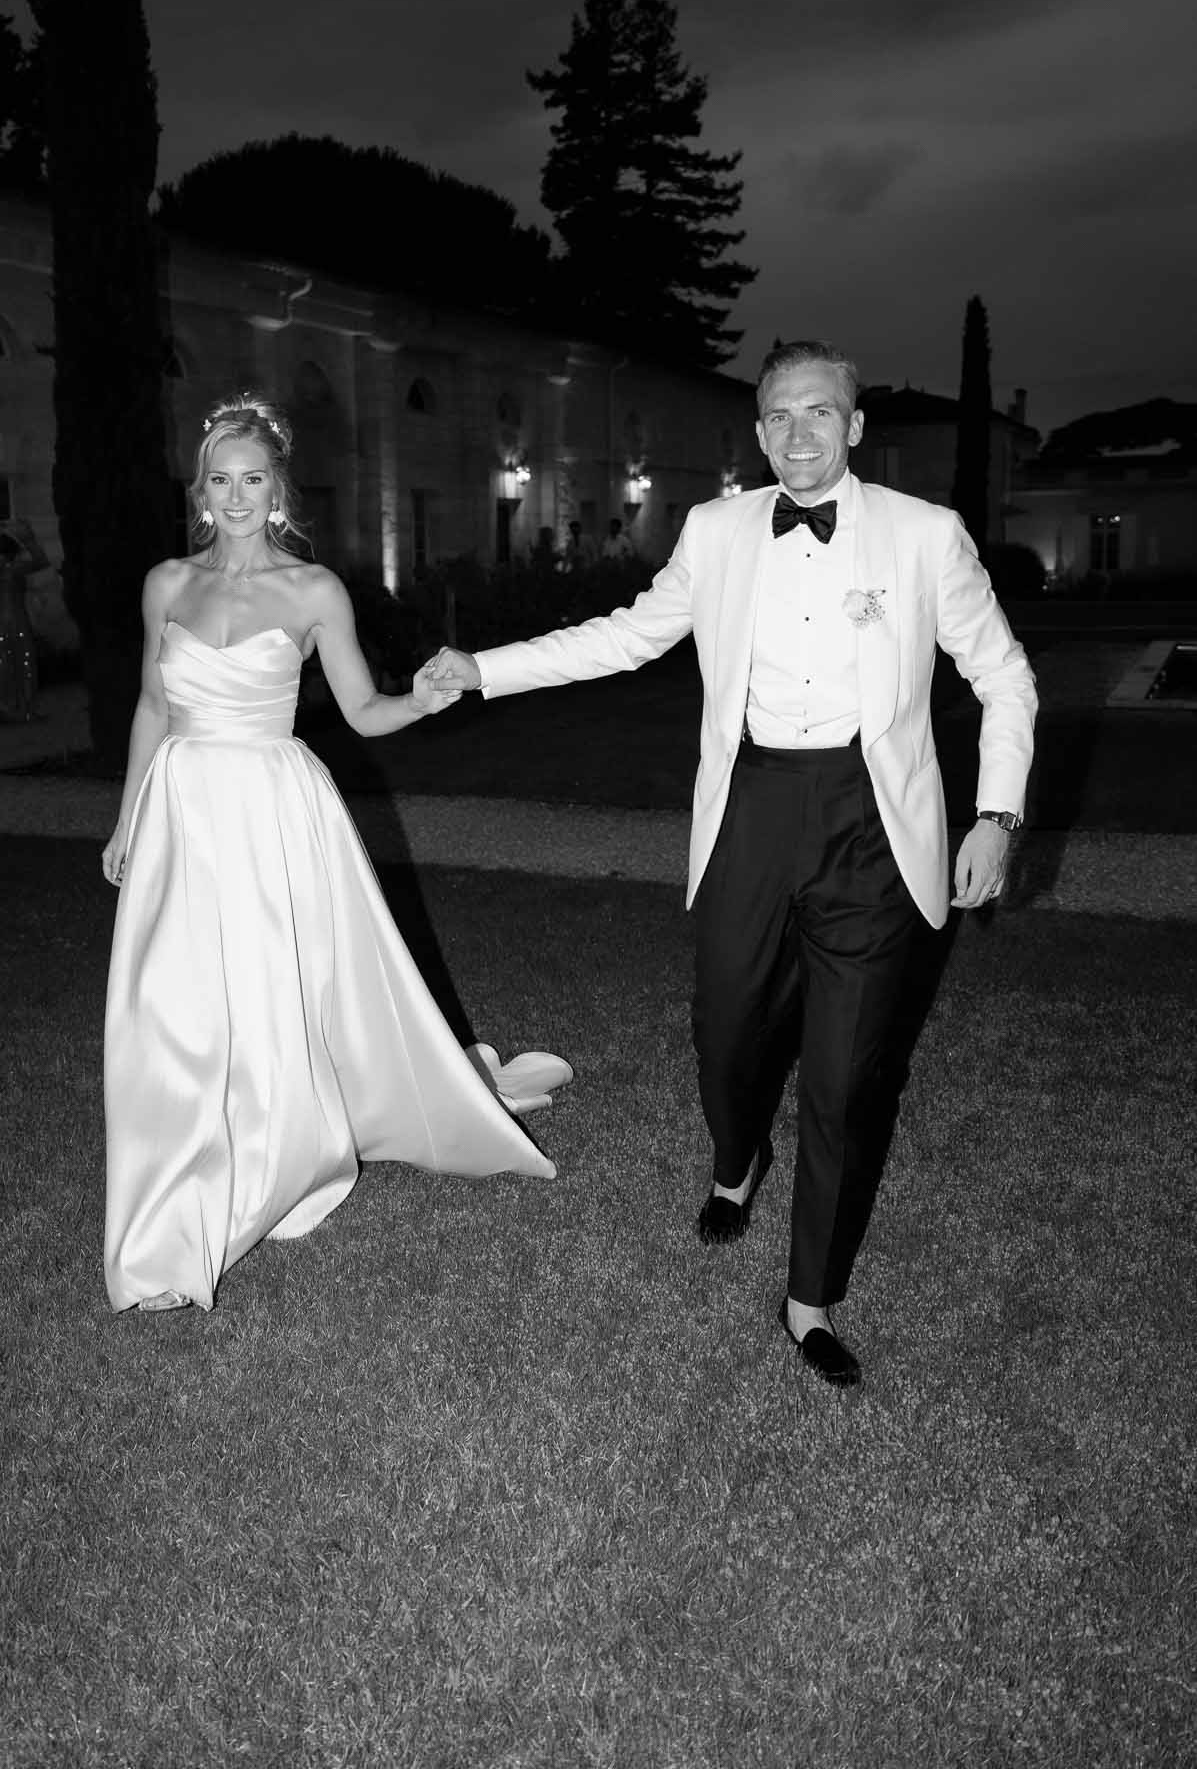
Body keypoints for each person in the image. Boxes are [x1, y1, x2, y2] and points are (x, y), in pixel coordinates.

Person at [426, 340, 1036, 1387]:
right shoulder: (715, 531)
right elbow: (625, 637)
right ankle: (738, 1154)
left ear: (854, 426)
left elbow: (1006, 677)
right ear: (758, 433)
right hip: (748, 806)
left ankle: (809, 1300)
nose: (798, 432)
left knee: (845, 1078)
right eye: (779, 415)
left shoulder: (926, 534)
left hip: (872, 827)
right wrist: (481, 669)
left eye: (819, 412)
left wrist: (995, 816)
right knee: (725, 1034)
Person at [101, 393, 564, 1314]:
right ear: (201, 491)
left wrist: (422, 701)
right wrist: (125, 820)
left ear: (277, 490)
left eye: (253, 480)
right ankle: (171, 1191)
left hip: (271, 810)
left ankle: (266, 1167)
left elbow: (361, 712)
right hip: (180, 810)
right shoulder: (166, 584)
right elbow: (153, 707)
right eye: (221, 480)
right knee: (171, 1003)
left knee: (266, 990)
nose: (237, 497)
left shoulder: (313, 591)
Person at [0, 519, 48, 724]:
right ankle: (22, 707)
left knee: (0, 662)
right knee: (21, 661)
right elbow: (42, 560)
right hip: (15, 618)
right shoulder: (15, 567)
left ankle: (0, 707)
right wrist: (29, 539)